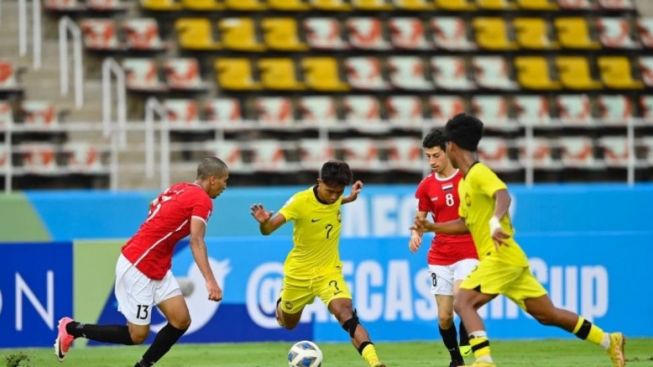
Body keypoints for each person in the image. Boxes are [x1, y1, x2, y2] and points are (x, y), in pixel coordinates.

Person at [412, 113, 625, 367]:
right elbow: (464, 224)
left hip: (499, 255)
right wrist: (432, 226)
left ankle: (483, 361)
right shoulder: (466, 182)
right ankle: (608, 340)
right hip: (509, 259)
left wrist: (495, 221)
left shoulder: (479, 173)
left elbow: (503, 195)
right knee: (547, 314)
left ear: (451, 146)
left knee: (463, 302)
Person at [54, 157, 230, 367]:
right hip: (139, 265)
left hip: (157, 265)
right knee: (137, 335)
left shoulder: (179, 188)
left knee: (181, 320)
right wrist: (210, 281)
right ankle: (72, 328)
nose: (225, 186)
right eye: (224, 181)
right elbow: (196, 239)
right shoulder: (203, 200)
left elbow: (152, 205)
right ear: (212, 179)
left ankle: (143, 365)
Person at [250, 160, 386, 367]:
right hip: (299, 274)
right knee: (288, 324)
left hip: (328, 272)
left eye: (338, 192)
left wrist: (348, 198)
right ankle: (281, 301)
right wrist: (264, 223)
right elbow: (268, 230)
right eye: (330, 191)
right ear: (319, 181)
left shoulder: (336, 198)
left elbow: (333, 204)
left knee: (347, 314)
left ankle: (375, 362)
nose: (333, 197)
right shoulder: (299, 202)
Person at [409, 128, 478, 367]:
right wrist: (415, 233)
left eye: (436, 155)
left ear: (448, 151)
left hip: (469, 250)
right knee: (444, 316)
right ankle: (456, 359)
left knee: (462, 300)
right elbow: (421, 218)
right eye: (427, 156)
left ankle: (465, 331)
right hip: (440, 255)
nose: (432, 161)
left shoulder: (467, 178)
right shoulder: (426, 185)